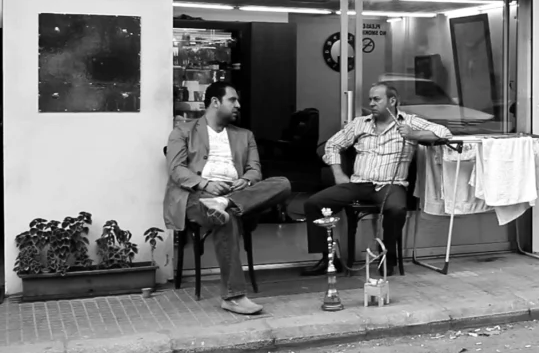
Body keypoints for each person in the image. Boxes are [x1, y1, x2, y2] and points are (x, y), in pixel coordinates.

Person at [163, 82, 291, 315]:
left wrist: (246, 181)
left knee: (283, 183)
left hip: (236, 193)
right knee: (226, 217)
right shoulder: (183, 132)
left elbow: (254, 170)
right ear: (215, 102)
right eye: (233, 100)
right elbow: (176, 169)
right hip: (198, 196)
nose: (238, 105)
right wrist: (205, 184)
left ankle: (225, 203)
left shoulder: (245, 135)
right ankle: (233, 297)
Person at [302, 82, 452, 277]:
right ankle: (329, 259)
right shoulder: (360, 123)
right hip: (358, 183)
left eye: (376, 99)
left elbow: (444, 133)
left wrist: (413, 134)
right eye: (370, 99)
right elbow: (332, 145)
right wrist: (338, 173)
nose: (371, 103)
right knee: (314, 203)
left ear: (392, 101)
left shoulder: (409, 122)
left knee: (397, 209)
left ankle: (387, 258)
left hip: (391, 184)